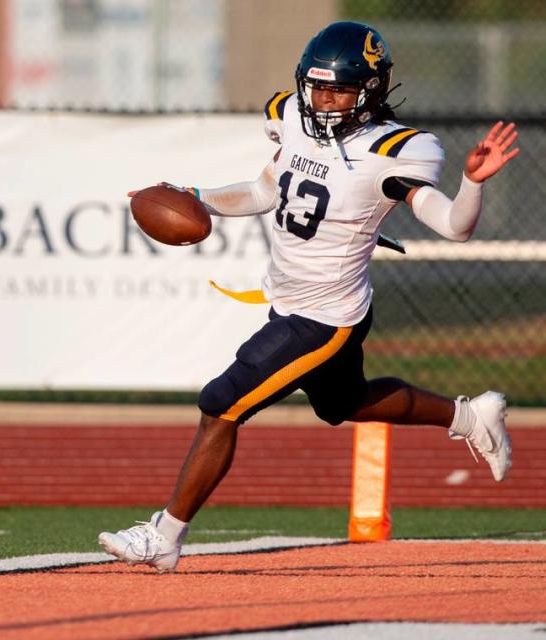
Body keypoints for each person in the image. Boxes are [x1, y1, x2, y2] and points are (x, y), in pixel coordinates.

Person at [98, 21, 518, 573]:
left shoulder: (392, 150)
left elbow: (453, 225)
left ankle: (164, 536)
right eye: (317, 87)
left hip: (323, 317)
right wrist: (190, 197)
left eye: (340, 89)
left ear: (371, 90)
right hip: (297, 303)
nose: (324, 100)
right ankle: (469, 417)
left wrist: (473, 183)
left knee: (220, 405)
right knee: (343, 403)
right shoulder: (291, 119)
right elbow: (261, 192)